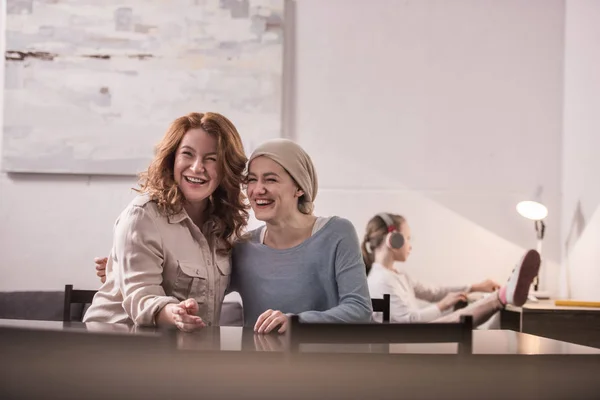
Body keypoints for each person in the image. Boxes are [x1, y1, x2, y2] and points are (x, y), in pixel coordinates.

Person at [94, 139, 373, 334]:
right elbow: (200, 282)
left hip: (329, 368)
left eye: (271, 179)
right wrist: (125, 268)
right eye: (252, 180)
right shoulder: (243, 247)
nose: (257, 190)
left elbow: (359, 309)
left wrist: (296, 322)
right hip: (260, 372)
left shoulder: (337, 232)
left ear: (299, 188)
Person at [84, 112, 248, 332]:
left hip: (186, 351)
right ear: (172, 159)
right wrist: (175, 313)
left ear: (226, 168)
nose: (197, 167)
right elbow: (142, 298)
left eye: (212, 159)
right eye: (187, 154)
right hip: (120, 346)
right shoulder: (141, 216)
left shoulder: (223, 224)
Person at [363, 213, 540, 326]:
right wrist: (443, 305)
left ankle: (504, 294)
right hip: (409, 341)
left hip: (411, 337)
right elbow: (409, 321)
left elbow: (434, 292)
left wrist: (474, 287)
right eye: (408, 238)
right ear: (394, 240)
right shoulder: (381, 280)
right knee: (461, 318)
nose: (410, 245)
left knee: (462, 315)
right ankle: (503, 295)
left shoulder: (396, 275)